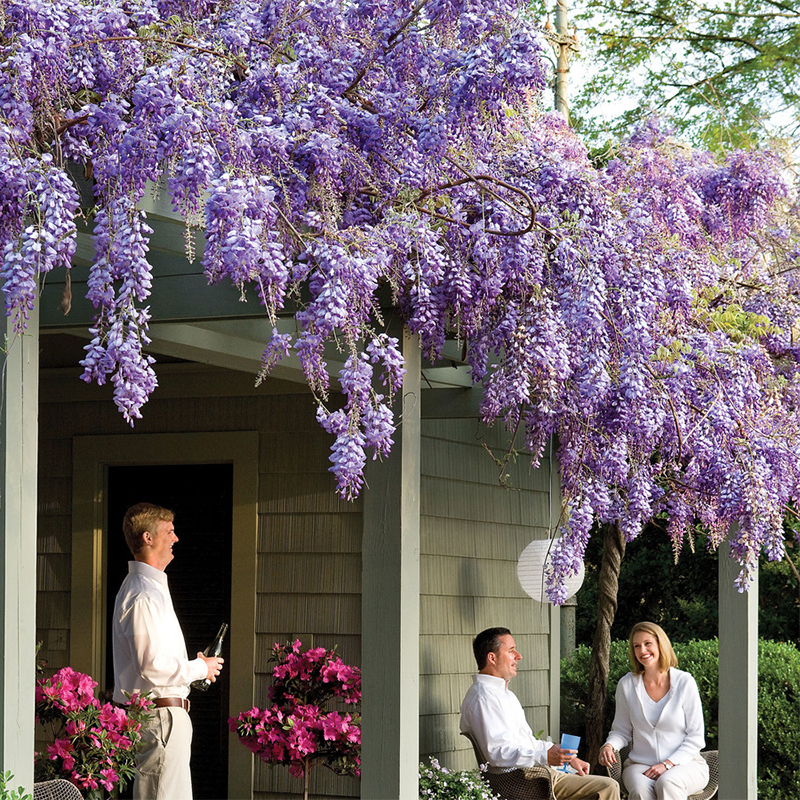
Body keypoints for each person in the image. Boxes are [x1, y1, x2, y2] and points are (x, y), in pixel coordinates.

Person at [112, 502, 224, 800]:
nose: (176, 538)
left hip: (163, 717)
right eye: (169, 531)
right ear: (148, 537)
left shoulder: (148, 588)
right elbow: (150, 665)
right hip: (161, 718)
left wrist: (192, 668)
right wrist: (200, 668)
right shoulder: (143, 593)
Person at [460, 627, 620, 800]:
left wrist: (565, 757)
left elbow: (528, 742)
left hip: (534, 775)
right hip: (525, 781)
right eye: (511, 651)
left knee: (597, 785)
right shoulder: (483, 698)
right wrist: (545, 756)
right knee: (608, 787)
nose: (518, 656)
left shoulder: (503, 694)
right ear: (492, 658)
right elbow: (497, 753)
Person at [598, 622, 709, 800]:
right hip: (640, 766)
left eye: (648, 643)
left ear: (660, 644)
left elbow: (695, 737)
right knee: (640, 791)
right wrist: (609, 745)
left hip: (686, 764)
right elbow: (621, 730)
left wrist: (668, 764)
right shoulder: (627, 685)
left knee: (667, 782)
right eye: (637, 646)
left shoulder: (685, 682)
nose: (642, 650)